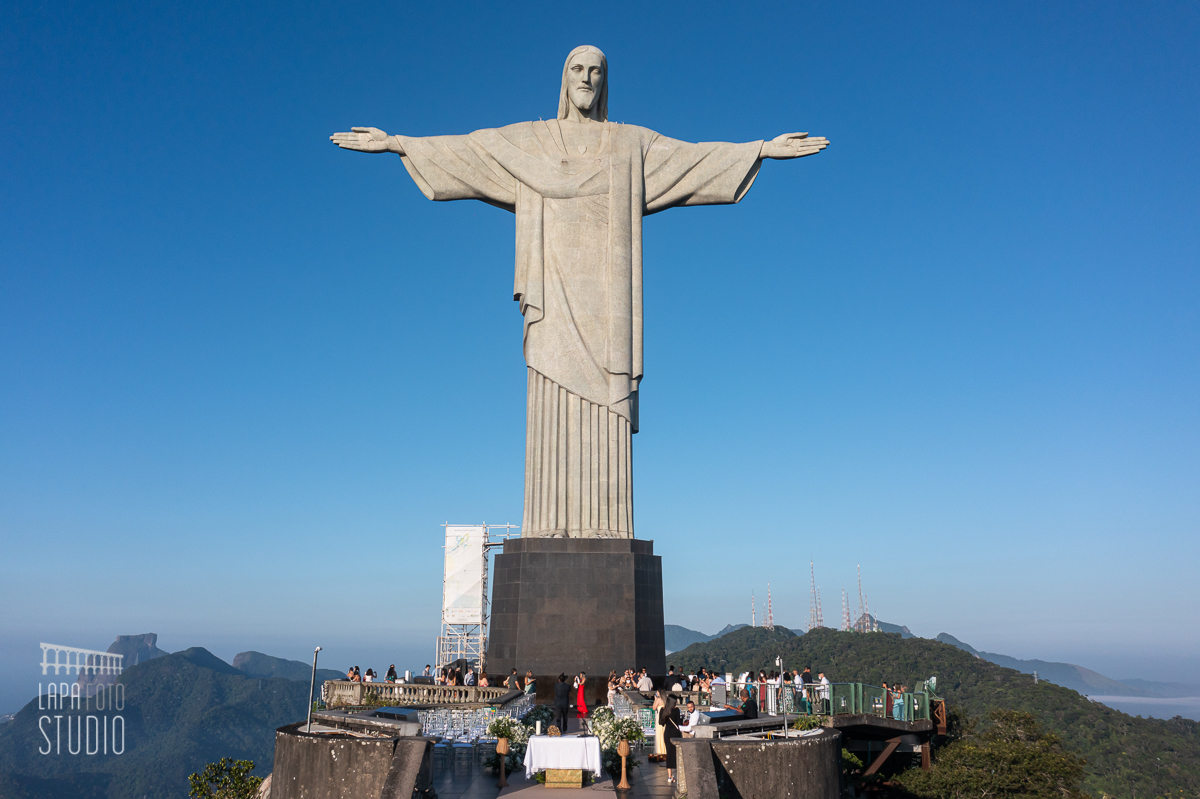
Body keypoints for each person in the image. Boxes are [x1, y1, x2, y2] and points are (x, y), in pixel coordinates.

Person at [660, 694, 682, 784]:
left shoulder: (663, 710)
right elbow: (678, 722)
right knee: (678, 753)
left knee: (669, 753)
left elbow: (661, 723)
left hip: (667, 733)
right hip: (676, 733)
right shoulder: (676, 710)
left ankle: (669, 776)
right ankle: (680, 775)